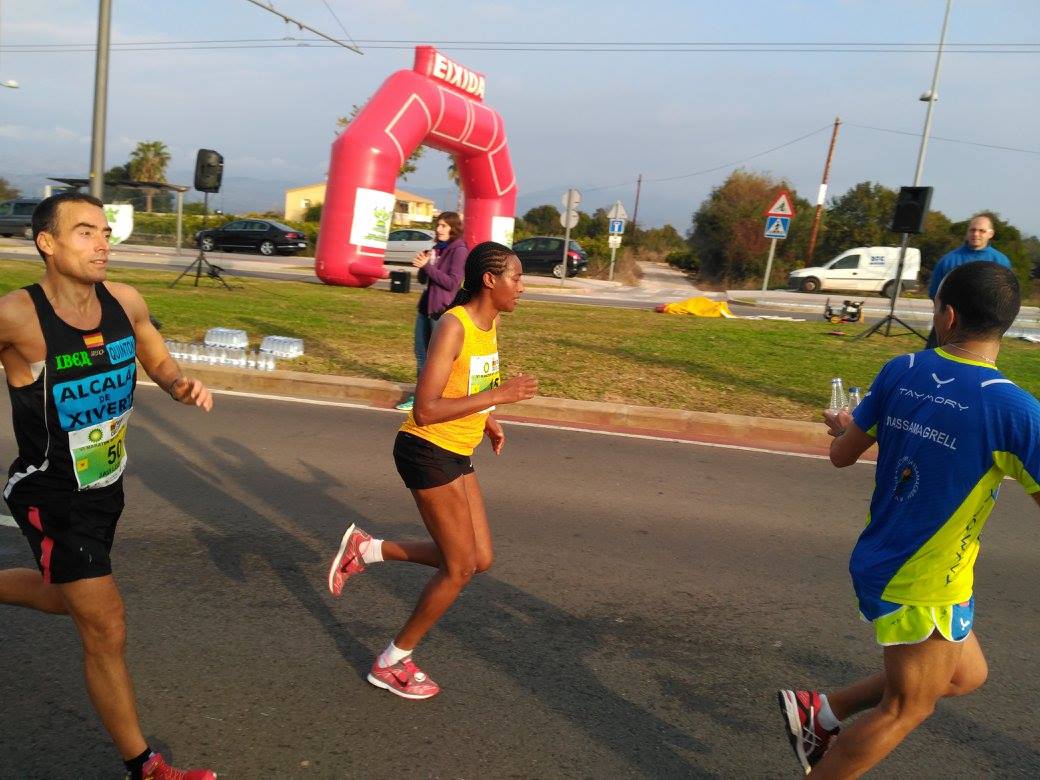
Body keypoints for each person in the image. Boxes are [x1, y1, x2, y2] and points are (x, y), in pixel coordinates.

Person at [777, 261, 1040, 777]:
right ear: (1006, 323)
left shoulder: (903, 370)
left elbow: (841, 455)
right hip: (923, 582)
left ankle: (822, 712)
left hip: (896, 562)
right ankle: (823, 728)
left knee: (966, 675)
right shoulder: (1014, 411)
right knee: (907, 708)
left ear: (946, 316)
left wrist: (847, 425)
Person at [0, 192, 217, 780]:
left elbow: (155, 355)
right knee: (105, 625)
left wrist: (178, 384)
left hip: (106, 484)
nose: (103, 244)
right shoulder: (18, 315)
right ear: (47, 243)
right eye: (85, 233)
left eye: (105, 232)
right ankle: (144, 765)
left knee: (60, 596)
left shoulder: (125, 301)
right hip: (53, 494)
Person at [329, 241, 538, 699]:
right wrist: (498, 399)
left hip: (457, 449)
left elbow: (471, 384)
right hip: (425, 450)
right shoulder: (453, 326)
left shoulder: (491, 322)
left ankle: (368, 550)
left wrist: (488, 419)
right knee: (459, 567)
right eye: (516, 278)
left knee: (480, 559)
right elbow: (424, 409)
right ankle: (392, 660)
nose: (523, 287)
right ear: (490, 280)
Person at [395, 212, 467, 411]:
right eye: (438, 225)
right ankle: (420, 395)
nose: (439, 229)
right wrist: (422, 265)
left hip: (441, 311)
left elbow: (452, 283)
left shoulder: (459, 251)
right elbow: (424, 280)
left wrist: (428, 266)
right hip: (425, 307)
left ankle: (437, 396)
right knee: (421, 353)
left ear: (453, 228)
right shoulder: (436, 249)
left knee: (438, 357)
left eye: (443, 226)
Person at [925, 213, 1011, 348]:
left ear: (991, 233)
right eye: (972, 230)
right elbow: (935, 293)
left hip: (983, 331)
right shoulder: (948, 260)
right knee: (933, 361)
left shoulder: (1000, 261)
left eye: (981, 231)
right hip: (949, 325)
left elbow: (1005, 297)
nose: (976, 234)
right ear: (967, 232)